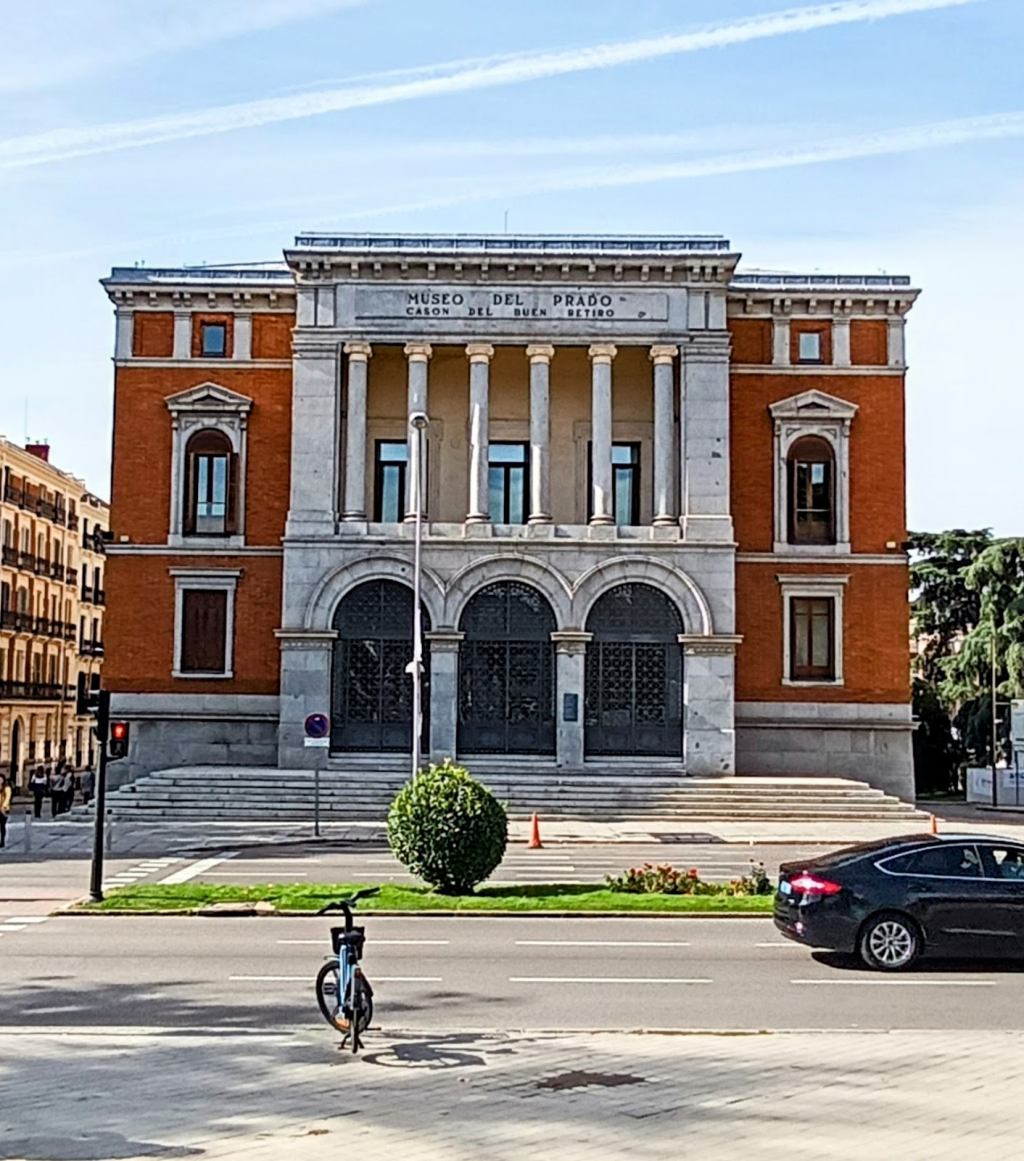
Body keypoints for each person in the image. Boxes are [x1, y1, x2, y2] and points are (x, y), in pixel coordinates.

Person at [0, 776, 11, 849]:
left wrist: (3, 806)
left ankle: (2, 841)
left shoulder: (7, 788)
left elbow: (7, 798)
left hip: (3, 810)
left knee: (2, 826)